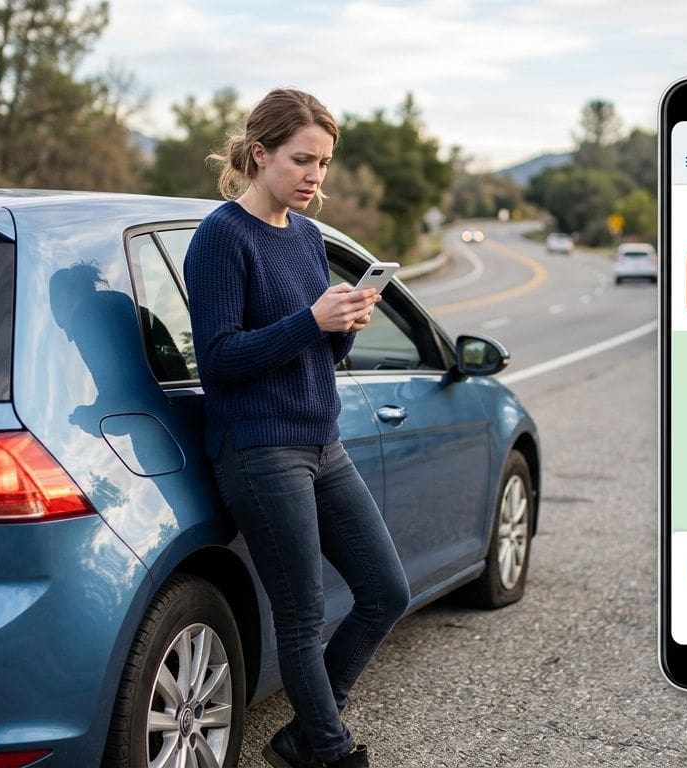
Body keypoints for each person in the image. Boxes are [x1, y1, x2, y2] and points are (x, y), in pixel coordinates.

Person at [183, 88, 410, 768]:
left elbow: (315, 351)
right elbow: (220, 360)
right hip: (258, 447)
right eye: (302, 160)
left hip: (321, 440)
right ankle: (332, 754)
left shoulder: (308, 236)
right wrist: (309, 321)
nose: (316, 176)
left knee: (384, 592)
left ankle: (304, 738)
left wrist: (341, 327)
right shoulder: (221, 238)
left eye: (325, 163)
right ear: (260, 155)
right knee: (303, 615)